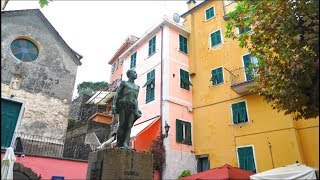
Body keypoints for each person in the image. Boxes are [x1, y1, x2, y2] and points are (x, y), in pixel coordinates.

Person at [112, 68, 141, 150]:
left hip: (132, 107)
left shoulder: (137, 87)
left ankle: (126, 143)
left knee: (129, 126)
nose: (136, 74)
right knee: (121, 124)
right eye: (134, 72)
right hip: (123, 106)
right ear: (129, 74)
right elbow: (117, 94)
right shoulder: (124, 83)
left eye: (136, 72)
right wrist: (114, 105)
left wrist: (137, 110)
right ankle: (119, 142)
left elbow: (136, 99)